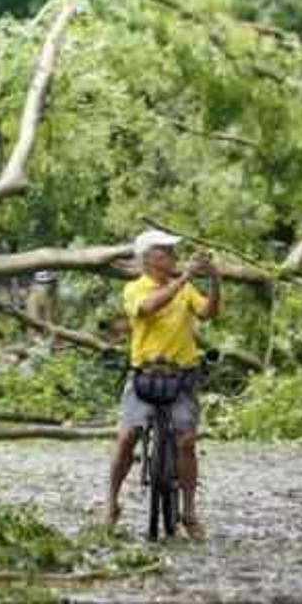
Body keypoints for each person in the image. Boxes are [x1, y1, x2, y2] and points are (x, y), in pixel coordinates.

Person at [105, 228, 221, 540]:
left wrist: (213, 279)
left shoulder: (184, 289)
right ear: (149, 259)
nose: (173, 257)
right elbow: (147, 308)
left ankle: (189, 512)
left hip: (182, 376)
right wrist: (184, 279)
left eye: (173, 252)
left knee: (186, 441)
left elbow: (208, 313)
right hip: (144, 374)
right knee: (126, 437)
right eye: (166, 252)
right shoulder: (134, 288)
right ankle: (111, 504)